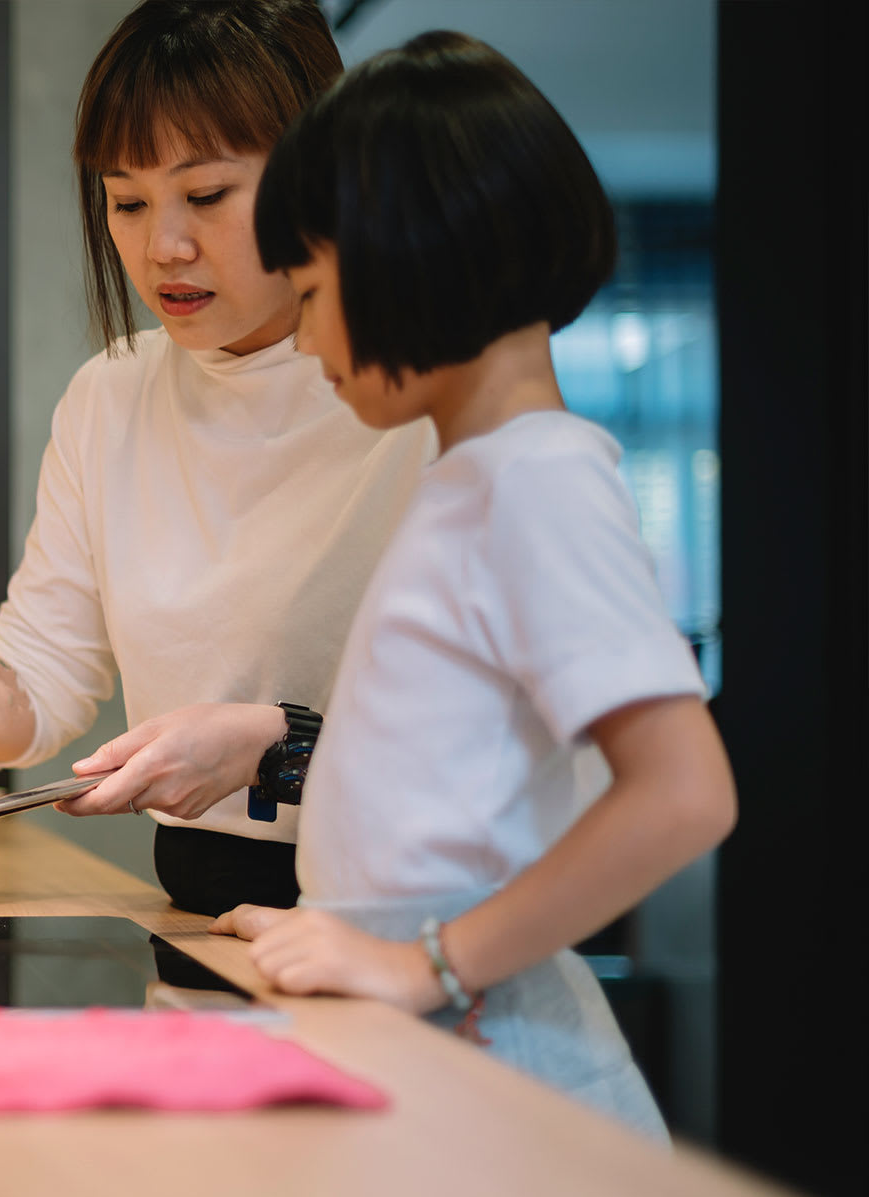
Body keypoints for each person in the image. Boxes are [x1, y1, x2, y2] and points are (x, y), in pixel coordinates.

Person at [0, 0, 433, 917]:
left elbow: (513, 740)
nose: (163, 247)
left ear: (318, 177)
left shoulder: (427, 390)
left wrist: (280, 744)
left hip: (412, 921)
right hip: (209, 919)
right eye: (128, 202)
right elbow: (26, 702)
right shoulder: (111, 399)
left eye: (208, 195)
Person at [211, 31, 737, 1138]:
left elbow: (686, 795)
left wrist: (422, 961)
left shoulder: (535, 483)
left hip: (489, 1041)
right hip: (428, 1019)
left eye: (309, 291)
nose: (304, 341)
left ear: (410, 253)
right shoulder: (481, 477)